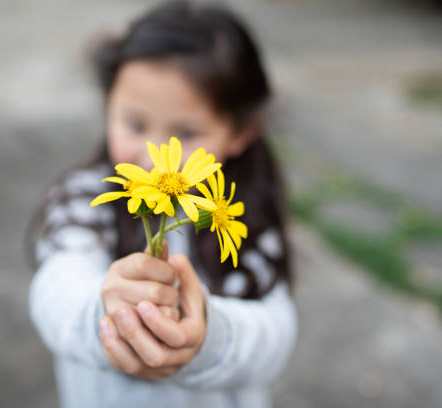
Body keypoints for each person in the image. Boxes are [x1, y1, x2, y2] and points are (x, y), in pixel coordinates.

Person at [26, 2, 297, 407]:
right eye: (135, 125)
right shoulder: (87, 197)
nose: (155, 155)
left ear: (240, 133)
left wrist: (208, 336)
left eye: (184, 132)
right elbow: (55, 290)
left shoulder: (240, 216)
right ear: (108, 105)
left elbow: (275, 333)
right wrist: (107, 313)